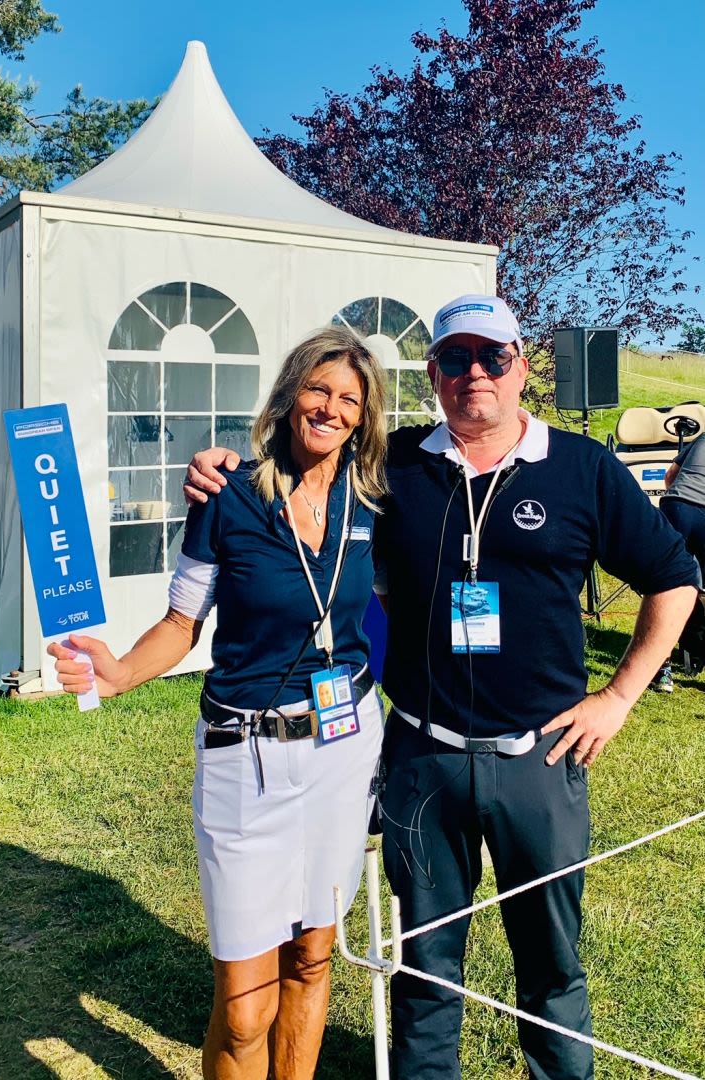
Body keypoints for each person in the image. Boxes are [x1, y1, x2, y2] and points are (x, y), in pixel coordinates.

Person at [184, 295, 699, 1080]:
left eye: (493, 357)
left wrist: (619, 695)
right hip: (423, 752)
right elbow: (309, 490)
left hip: (542, 757)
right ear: (434, 374)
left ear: (522, 367)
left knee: (551, 964)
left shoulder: (583, 470)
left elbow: (675, 578)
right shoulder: (397, 471)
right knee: (426, 968)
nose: (475, 375)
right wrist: (218, 465)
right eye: (455, 359)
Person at [48, 326, 388, 1080]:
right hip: (246, 757)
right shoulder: (228, 495)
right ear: (288, 395)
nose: (330, 408)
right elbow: (180, 622)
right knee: (242, 1009)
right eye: (318, 389)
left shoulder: (374, 501)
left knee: (311, 957)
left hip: (342, 751)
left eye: (349, 399)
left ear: (365, 417)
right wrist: (119, 674)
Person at [649, 430, 705, 689]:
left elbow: (670, 476)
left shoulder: (702, 438)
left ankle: (662, 671)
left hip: (675, 505)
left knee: (666, 588)